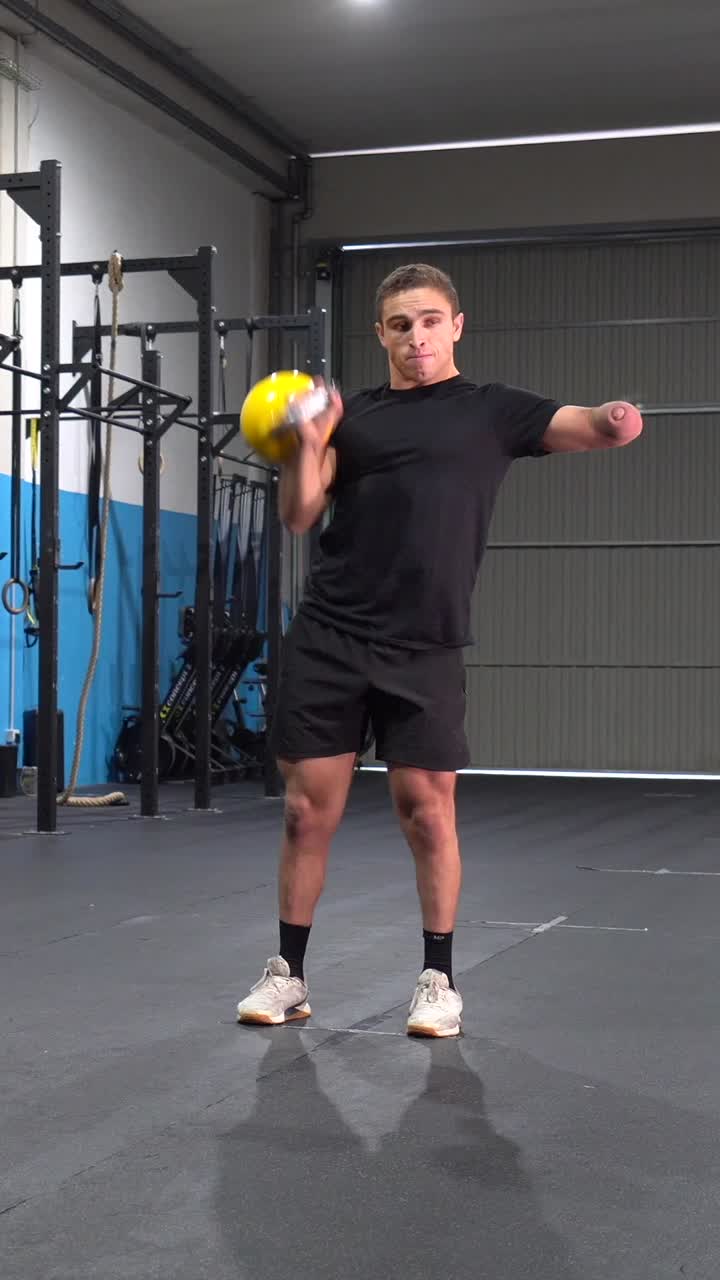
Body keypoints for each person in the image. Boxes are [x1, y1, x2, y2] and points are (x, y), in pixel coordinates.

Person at [237, 262, 643, 1038]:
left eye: (429, 321)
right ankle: (287, 974)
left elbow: (585, 424)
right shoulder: (347, 418)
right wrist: (307, 442)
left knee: (428, 813)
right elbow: (298, 515)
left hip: (424, 644)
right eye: (399, 325)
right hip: (331, 633)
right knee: (303, 813)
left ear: (456, 325)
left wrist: (617, 416)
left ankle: (438, 979)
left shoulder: (492, 411)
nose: (415, 337)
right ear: (380, 334)